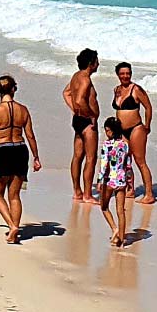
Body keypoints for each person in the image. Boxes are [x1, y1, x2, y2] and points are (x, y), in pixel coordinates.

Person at [0, 73, 41, 244]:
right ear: (14, 89)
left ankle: (12, 226)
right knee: (15, 195)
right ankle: (14, 232)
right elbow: (31, 136)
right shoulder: (23, 110)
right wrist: (36, 157)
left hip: (3, 151)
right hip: (21, 150)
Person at [112, 62, 154, 206]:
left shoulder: (136, 89)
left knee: (140, 161)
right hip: (121, 130)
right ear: (118, 75)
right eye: (122, 73)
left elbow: (148, 107)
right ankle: (130, 189)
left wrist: (147, 126)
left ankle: (149, 193)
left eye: (128, 73)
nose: (125, 76)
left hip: (136, 128)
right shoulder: (116, 90)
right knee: (124, 161)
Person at [92, 117, 137, 248]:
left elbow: (104, 164)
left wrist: (100, 181)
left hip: (109, 180)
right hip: (121, 180)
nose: (106, 133)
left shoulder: (107, 145)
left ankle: (114, 228)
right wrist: (129, 182)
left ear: (111, 131)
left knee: (104, 207)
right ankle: (122, 241)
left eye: (107, 130)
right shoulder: (125, 145)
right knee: (121, 211)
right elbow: (128, 165)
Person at [63, 48, 100, 204]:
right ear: (91, 63)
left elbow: (66, 93)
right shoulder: (85, 79)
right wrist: (90, 115)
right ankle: (87, 195)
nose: (99, 63)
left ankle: (77, 191)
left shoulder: (76, 76)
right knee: (91, 158)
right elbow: (79, 100)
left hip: (78, 120)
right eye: (97, 61)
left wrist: (75, 111)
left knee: (77, 156)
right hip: (86, 123)